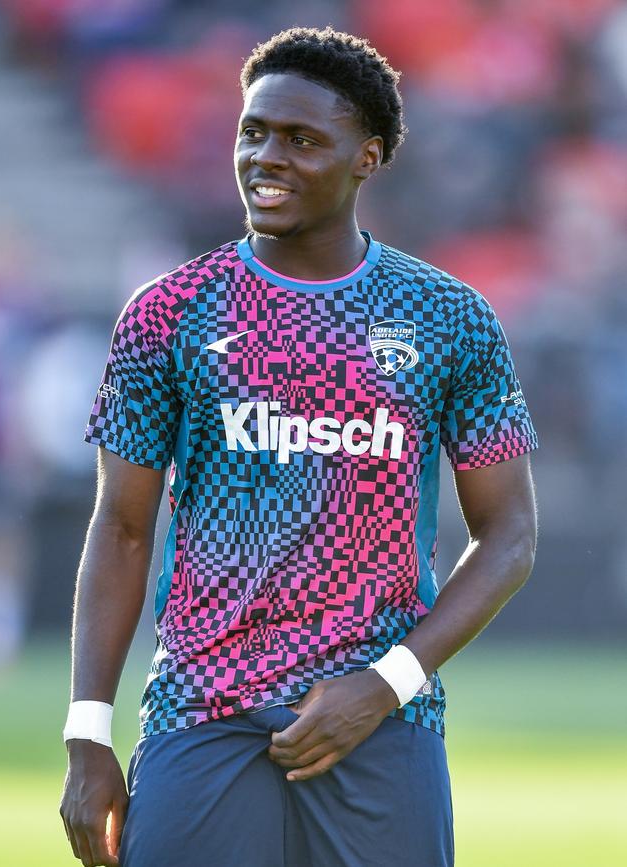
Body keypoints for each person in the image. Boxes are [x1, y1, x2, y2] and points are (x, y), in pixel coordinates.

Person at [59, 26, 538, 867]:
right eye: (253, 132)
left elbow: (509, 538)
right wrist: (87, 732)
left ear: (369, 156)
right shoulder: (168, 311)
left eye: (302, 139)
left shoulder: (450, 317)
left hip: (382, 724)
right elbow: (123, 528)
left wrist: (386, 682)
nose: (265, 157)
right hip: (200, 713)